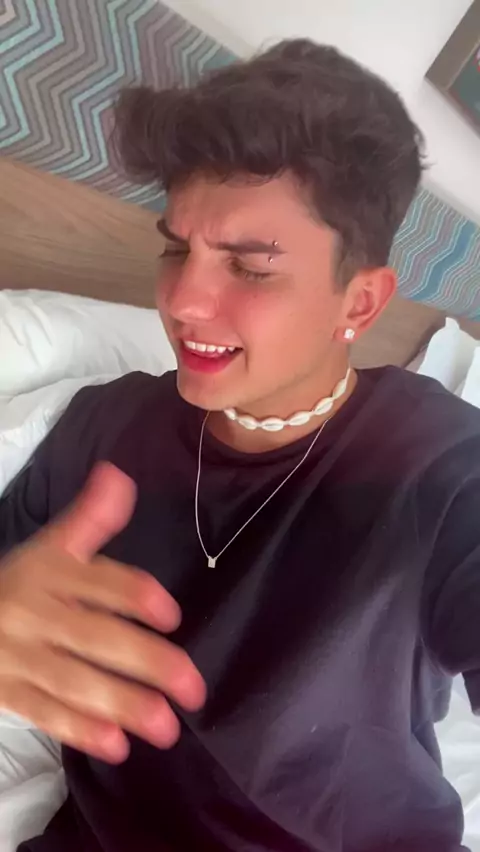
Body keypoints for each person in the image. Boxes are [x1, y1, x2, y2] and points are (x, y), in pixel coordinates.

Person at [0, 37, 478, 852]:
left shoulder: (441, 465)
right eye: (176, 248)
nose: (183, 300)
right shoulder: (101, 430)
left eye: (250, 266)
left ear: (360, 304)